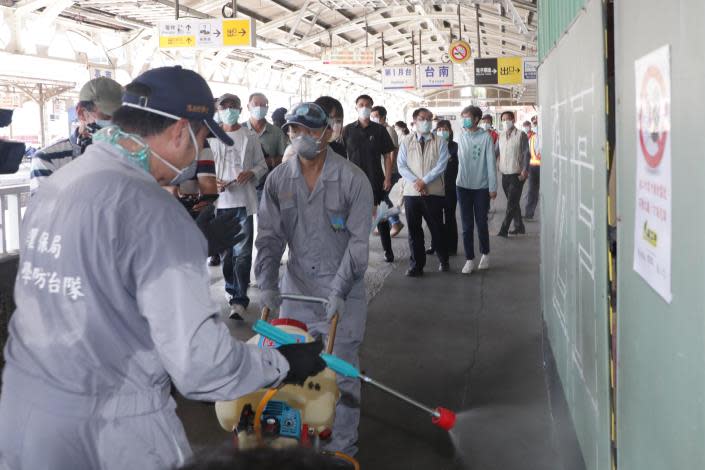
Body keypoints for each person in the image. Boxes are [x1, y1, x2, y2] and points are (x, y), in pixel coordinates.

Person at [0, 66, 325, 470]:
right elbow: (199, 365)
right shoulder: (153, 211)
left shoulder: (61, 184)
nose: (198, 151)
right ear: (179, 132)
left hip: (24, 410)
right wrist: (281, 364)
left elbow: (99, 277)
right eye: (202, 139)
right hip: (110, 430)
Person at [256, 102, 373, 457]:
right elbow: (269, 237)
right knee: (293, 370)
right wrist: (267, 282)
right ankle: (297, 439)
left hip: (343, 293)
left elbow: (357, 243)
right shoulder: (279, 180)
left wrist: (338, 289)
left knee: (341, 372)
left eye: (308, 130)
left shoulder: (352, 179)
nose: (300, 137)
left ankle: (341, 447)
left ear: (326, 133)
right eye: (294, 130)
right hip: (296, 293)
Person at [210, 93, 268, 320]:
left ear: (240, 109)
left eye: (233, 106)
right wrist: (212, 183)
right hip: (220, 203)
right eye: (224, 106)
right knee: (227, 255)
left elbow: (262, 165)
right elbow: (204, 168)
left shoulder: (249, 137)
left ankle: (240, 299)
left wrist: (250, 173)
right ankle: (231, 288)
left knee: (243, 254)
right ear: (218, 110)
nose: (229, 109)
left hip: (243, 202)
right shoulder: (211, 138)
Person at [29, 77, 123, 193]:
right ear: (81, 113)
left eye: (122, 118)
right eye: (107, 117)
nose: (115, 124)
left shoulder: (134, 155)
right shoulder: (48, 159)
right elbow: (44, 209)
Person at [342, 95, 396, 262]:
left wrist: (387, 177)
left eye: (367, 105)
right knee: (354, 218)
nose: (364, 107)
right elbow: (341, 155)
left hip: (375, 179)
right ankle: (354, 252)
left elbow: (388, 155)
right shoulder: (347, 130)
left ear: (372, 107)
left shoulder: (379, 130)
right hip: (353, 181)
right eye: (361, 104)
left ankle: (388, 250)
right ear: (356, 107)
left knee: (380, 217)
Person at [397, 107, 450, 277]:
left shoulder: (440, 141)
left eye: (429, 119)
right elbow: (401, 165)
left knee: (437, 229)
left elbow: (441, 165)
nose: (426, 121)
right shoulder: (406, 141)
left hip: (433, 192)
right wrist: (416, 182)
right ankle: (416, 265)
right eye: (422, 118)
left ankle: (444, 259)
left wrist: (424, 181)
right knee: (414, 231)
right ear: (414, 121)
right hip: (412, 193)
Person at [456, 106, 497, 274]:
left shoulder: (486, 138)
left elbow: (491, 163)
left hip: (481, 187)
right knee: (466, 225)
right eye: (463, 117)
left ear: (476, 119)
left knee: (481, 222)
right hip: (462, 186)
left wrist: (492, 187)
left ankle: (485, 253)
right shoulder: (461, 136)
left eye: (467, 117)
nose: (464, 120)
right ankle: (469, 259)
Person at [244, 92, 288, 198]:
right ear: (248, 107)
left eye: (263, 105)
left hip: (267, 187)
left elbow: (285, 158)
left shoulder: (277, 132)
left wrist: (270, 161)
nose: (259, 107)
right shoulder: (240, 130)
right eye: (255, 104)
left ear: (267, 108)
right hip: (243, 187)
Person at [371, 105, 404, 237]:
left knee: (381, 198)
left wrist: (388, 176)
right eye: (372, 116)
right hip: (381, 171)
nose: (373, 118)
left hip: (390, 171)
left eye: (375, 116)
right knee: (381, 198)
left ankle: (395, 222)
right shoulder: (377, 130)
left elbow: (392, 153)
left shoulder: (389, 130)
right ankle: (387, 223)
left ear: (383, 117)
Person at [497, 110, 530, 237]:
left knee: (511, 203)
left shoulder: (521, 135)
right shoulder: (500, 136)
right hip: (504, 174)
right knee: (513, 201)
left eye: (508, 119)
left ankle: (503, 230)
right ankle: (519, 226)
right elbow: (495, 152)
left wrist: (525, 170)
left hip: (517, 175)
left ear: (513, 120)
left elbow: (527, 153)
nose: (505, 122)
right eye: (503, 120)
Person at [431, 119, 458, 255]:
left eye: (445, 129)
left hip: (450, 188)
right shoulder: (432, 146)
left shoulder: (455, 147)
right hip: (434, 188)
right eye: (440, 129)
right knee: (435, 218)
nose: (442, 132)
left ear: (450, 131)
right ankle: (435, 245)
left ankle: (451, 247)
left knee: (449, 217)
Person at [525, 115, 541, 219]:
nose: (536, 125)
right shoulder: (532, 138)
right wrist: (525, 168)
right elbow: (527, 154)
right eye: (534, 124)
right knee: (532, 191)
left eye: (537, 123)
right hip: (533, 168)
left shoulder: (549, 137)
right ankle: (529, 214)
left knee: (545, 192)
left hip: (545, 169)